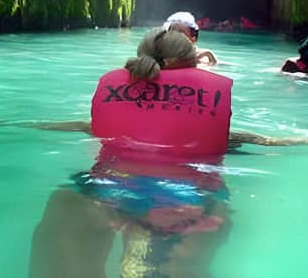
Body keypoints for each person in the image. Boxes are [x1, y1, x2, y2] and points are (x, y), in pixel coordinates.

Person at [29, 27, 238, 277]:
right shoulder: (207, 113)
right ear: (192, 67)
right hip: (189, 201)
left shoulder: (105, 114)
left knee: (66, 200)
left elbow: (71, 127)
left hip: (111, 192)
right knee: (209, 218)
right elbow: (262, 142)